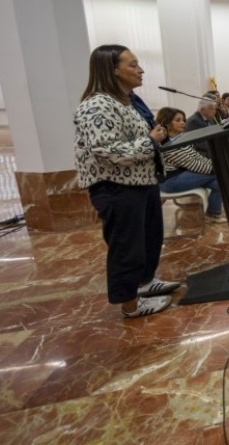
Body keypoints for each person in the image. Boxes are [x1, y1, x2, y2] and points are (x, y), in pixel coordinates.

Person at [74, 44, 179, 318]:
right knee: (127, 247)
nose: (141, 70)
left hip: (141, 182)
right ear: (112, 69)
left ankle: (144, 284)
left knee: (149, 239)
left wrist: (154, 137)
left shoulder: (128, 102)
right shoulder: (98, 104)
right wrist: (150, 140)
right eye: (132, 65)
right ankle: (130, 304)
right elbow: (106, 150)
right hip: (117, 187)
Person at [155, 107, 225, 223]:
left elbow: (196, 157)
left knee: (219, 181)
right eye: (177, 120)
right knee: (222, 176)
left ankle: (213, 214)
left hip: (181, 174)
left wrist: (215, 165)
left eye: (183, 119)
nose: (183, 123)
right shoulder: (167, 144)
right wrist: (220, 168)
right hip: (170, 182)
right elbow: (194, 165)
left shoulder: (180, 138)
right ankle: (214, 213)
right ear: (166, 123)